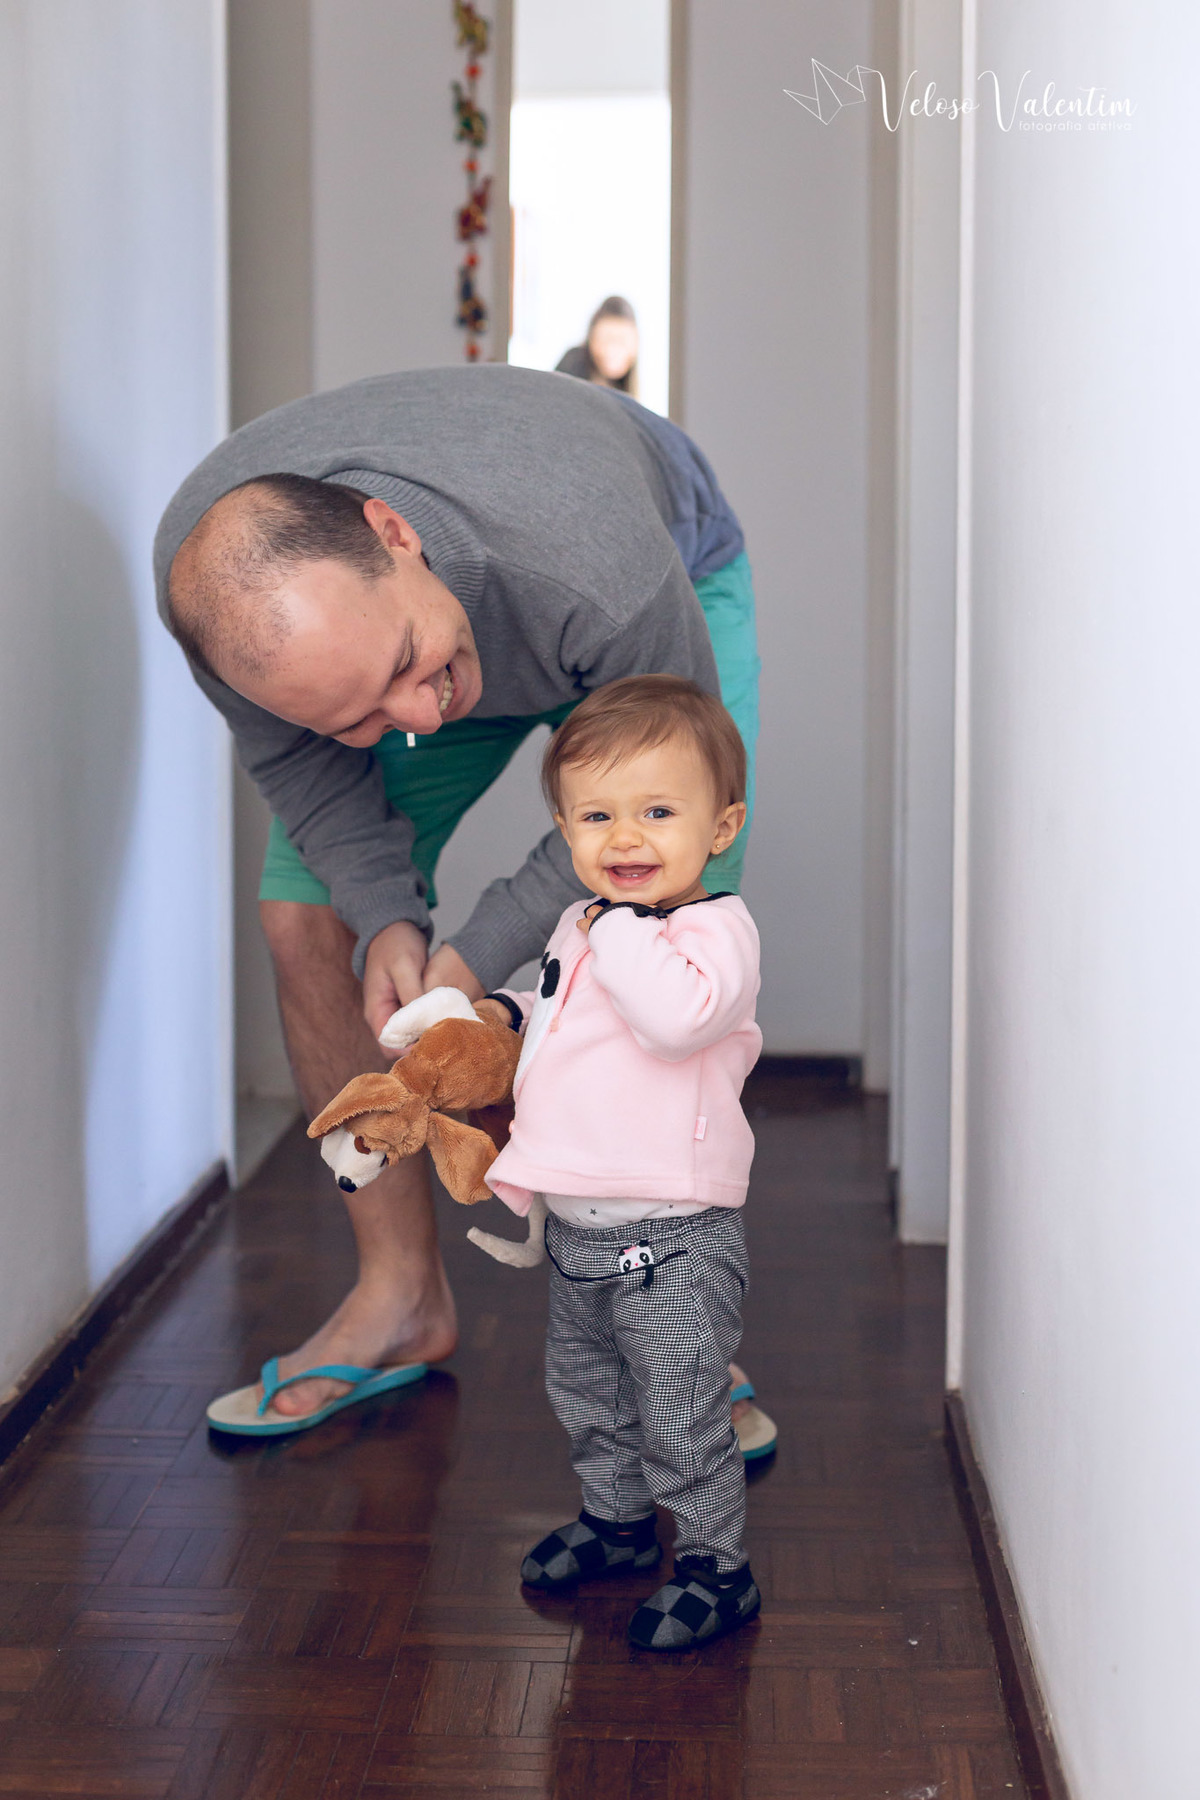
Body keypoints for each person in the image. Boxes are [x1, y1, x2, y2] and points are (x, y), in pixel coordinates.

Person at [153, 363, 766, 1441]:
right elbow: (306, 777)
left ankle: (675, 1328)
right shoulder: (220, 611)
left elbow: (664, 812)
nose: (415, 721)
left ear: (395, 533)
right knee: (308, 915)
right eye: (358, 718)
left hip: (630, 583)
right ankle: (399, 1300)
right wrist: (388, 916)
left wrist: (472, 955)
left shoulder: (598, 566)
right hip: (468, 611)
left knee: (663, 926)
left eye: (404, 665)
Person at [476, 676, 762, 1650]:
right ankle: (619, 1522)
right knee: (589, 1390)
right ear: (564, 829)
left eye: (657, 812)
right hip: (580, 1227)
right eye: (596, 816)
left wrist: (616, 928)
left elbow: (676, 1018)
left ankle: (719, 1567)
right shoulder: (588, 924)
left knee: (680, 1405)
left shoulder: (710, 931)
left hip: (675, 1235)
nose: (626, 838)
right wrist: (499, 1018)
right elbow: (567, 1016)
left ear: (720, 827)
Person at [555, 295, 639, 395]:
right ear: (591, 340)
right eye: (605, 339)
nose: (612, 349)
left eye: (622, 340)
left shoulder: (625, 390)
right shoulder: (573, 361)